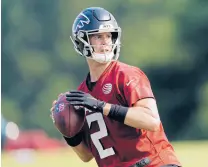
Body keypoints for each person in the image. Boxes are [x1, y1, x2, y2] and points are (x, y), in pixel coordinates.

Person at [51, 7, 182, 167]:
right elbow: (86, 155)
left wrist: (101, 106)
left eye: (109, 35)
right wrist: (67, 130)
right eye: (98, 36)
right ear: (81, 40)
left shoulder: (127, 75)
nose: (106, 41)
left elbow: (151, 120)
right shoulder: (82, 94)